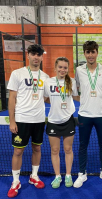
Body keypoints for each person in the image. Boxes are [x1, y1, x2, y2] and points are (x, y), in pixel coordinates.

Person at [7, 44, 49, 198]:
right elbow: (12, 98)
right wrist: (12, 121)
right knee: (18, 151)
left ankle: (34, 176)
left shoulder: (45, 77)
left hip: (38, 120)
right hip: (22, 120)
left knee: (37, 149)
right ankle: (16, 181)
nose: (36, 57)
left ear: (42, 57)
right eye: (33, 54)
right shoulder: (17, 74)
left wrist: (65, 98)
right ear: (28, 55)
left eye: (39, 54)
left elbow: (46, 99)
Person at [73, 41, 102, 188]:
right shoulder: (79, 70)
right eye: (88, 52)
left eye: (93, 52)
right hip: (84, 114)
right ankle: (81, 173)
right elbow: (75, 89)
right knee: (83, 145)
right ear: (84, 54)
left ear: (97, 53)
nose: (90, 55)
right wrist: (83, 99)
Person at [44, 57, 80, 189]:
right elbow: (45, 98)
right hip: (53, 121)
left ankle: (68, 175)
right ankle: (58, 176)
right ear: (55, 68)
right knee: (54, 150)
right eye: (60, 67)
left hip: (68, 121)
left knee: (68, 149)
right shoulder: (48, 82)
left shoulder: (71, 82)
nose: (62, 69)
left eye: (65, 67)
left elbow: (75, 97)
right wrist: (55, 104)